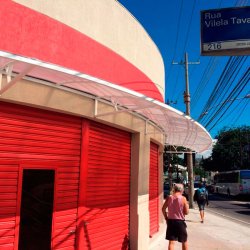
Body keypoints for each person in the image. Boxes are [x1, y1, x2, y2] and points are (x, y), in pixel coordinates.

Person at [162, 183, 189, 250]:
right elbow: (186, 212)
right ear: (181, 190)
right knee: (184, 241)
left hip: (171, 221)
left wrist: (166, 218)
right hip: (180, 222)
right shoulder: (183, 198)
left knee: (171, 242)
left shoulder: (169, 197)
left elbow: (163, 209)